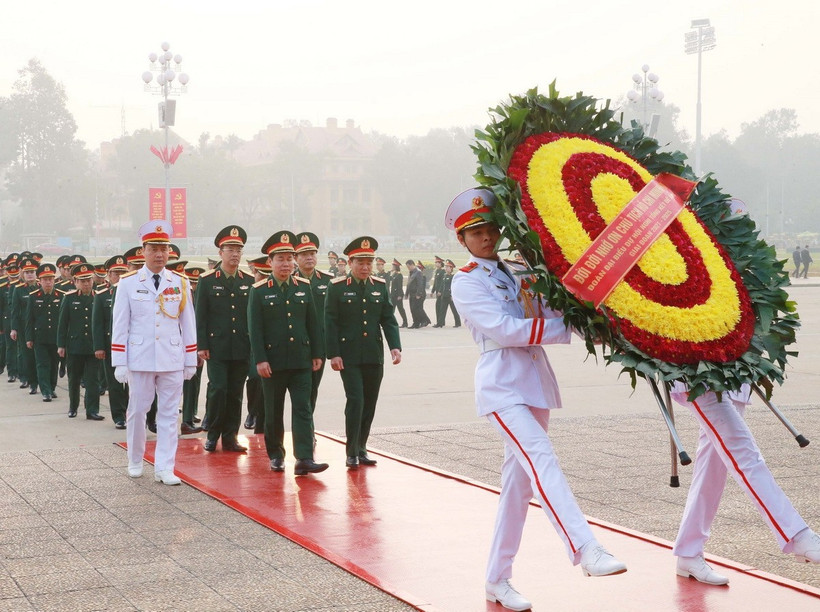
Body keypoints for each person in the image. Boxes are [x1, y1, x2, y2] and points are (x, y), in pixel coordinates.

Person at [446, 188, 626, 611]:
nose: (486, 237)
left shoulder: (520, 270)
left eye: (490, 228)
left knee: (517, 486)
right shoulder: (465, 279)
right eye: (476, 232)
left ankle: (497, 579)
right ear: (462, 240)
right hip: (502, 385)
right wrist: (566, 331)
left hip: (534, 383)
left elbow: (552, 312)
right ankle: (585, 549)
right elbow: (505, 330)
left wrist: (602, 330)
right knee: (541, 456)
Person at [669, 383, 820, 585]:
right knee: (746, 456)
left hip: (734, 378)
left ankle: (688, 551)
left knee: (712, 468)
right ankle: (797, 535)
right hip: (700, 377)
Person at [111, 220, 197, 485]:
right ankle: (135, 459)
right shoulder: (127, 283)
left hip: (171, 357)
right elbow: (120, 324)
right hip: (140, 358)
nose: (160, 254)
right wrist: (120, 361)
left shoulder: (180, 282)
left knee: (170, 414)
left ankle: (164, 467)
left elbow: (188, 322)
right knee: (138, 410)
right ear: (143, 250)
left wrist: (190, 358)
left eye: (164, 248)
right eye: (154, 248)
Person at [248, 230, 326, 475]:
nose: (286, 264)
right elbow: (255, 329)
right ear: (270, 262)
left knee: (303, 408)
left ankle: (304, 458)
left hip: (301, 360)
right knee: (273, 410)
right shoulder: (260, 290)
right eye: (280, 259)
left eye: (289, 259)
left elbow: (313, 323)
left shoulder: (303, 287)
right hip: (273, 362)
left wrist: (317, 354)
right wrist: (260, 359)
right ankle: (276, 455)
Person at [325, 236, 402, 469]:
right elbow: (330, 322)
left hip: (373, 355)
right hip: (348, 356)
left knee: (369, 402)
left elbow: (388, 318)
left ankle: (362, 447)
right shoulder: (337, 287)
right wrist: (333, 354)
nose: (366, 267)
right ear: (350, 263)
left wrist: (394, 346)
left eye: (369, 262)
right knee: (356, 400)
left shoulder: (378, 286)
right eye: (360, 262)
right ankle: (351, 451)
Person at [196, 225, 253, 453]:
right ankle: (213, 434)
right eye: (230, 249)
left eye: (238, 249)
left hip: (241, 346)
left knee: (236, 393)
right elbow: (200, 315)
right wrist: (202, 345)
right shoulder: (208, 280)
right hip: (217, 346)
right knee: (218, 389)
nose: (235, 254)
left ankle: (231, 437)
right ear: (221, 253)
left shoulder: (248, 280)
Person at [294, 231, 333, 424]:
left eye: (312, 253)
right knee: (300, 391)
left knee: (312, 389)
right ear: (295, 258)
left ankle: (307, 428)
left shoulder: (328, 281)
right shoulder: (290, 279)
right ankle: (303, 428)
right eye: (304, 254)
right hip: (296, 346)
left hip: (319, 346)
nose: (309, 257)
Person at [57, 263, 103, 420]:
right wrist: (61, 345)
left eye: (89, 280)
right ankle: (73, 407)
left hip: (93, 346)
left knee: (92, 381)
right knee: (74, 379)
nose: (86, 284)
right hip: (75, 346)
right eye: (82, 281)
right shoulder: (69, 299)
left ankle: (92, 410)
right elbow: (62, 324)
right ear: (75, 282)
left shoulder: (98, 297)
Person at [92, 255, 129, 429]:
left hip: (132, 345)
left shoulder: (134, 291)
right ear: (108, 274)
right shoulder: (101, 296)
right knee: (114, 383)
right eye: (116, 273)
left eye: (123, 272)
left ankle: (132, 413)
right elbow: (97, 324)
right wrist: (99, 347)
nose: (120, 276)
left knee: (133, 383)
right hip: (110, 346)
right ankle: (119, 416)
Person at [25, 263, 62, 402]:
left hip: (55, 337)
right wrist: (29, 338)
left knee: (54, 364)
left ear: (54, 280)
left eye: (50, 279)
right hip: (39, 337)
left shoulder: (61, 295)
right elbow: (29, 320)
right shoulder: (34, 296)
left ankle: (52, 388)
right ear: (39, 281)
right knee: (42, 364)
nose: (48, 282)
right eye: (45, 280)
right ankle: (45, 391)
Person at [181, 266, 205, 435]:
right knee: (186, 384)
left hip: (195, 345)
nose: (194, 287)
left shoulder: (199, 297)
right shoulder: (181, 295)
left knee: (193, 382)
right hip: (181, 346)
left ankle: (190, 414)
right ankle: (186, 419)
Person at [405, 259, 429, 328]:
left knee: (416, 309)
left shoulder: (418, 272)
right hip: (411, 294)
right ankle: (415, 323)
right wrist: (406, 294)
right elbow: (408, 284)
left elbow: (420, 284)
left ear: (412, 265)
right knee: (412, 309)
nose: (408, 268)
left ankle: (422, 321)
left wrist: (418, 294)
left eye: (408, 266)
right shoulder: (411, 272)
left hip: (416, 294)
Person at [440, 259, 461, 327]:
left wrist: (453, 295)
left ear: (451, 268)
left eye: (447, 267)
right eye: (445, 267)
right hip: (444, 295)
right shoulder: (444, 276)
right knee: (442, 310)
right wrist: (440, 292)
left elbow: (454, 287)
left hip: (450, 296)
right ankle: (440, 323)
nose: (446, 268)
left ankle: (458, 323)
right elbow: (442, 285)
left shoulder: (453, 277)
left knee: (454, 310)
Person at [388, 259, 408, 328]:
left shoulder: (399, 275)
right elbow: (389, 279)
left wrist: (400, 295)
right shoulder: (394, 274)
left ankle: (405, 322)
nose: (392, 267)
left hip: (398, 295)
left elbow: (400, 286)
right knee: (391, 309)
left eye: (393, 266)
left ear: (396, 267)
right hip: (393, 294)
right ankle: (390, 323)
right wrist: (389, 272)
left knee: (400, 309)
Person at [431, 255, 446, 327]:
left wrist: (440, 291)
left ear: (440, 263)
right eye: (435, 262)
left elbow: (442, 283)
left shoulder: (443, 271)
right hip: (437, 292)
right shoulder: (437, 271)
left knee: (440, 307)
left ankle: (440, 323)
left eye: (437, 262)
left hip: (441, 292)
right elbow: (435, 282)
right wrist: (432, 291)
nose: (436, 264)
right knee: (438, 307)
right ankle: (440, 322)